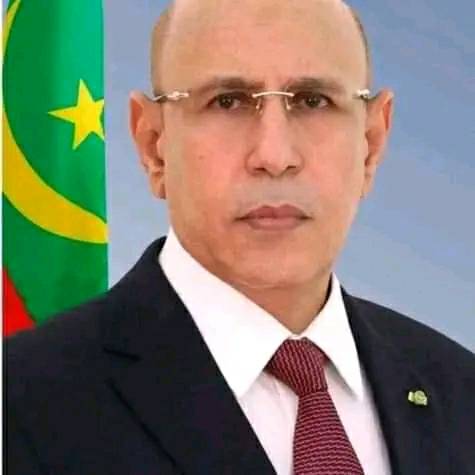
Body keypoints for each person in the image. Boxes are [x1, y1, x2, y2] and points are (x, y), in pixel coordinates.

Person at [5, 0, 475, 474]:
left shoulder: (461, 393)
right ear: (153, 146)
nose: (274, 156)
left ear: (371, 144)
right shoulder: (21, 405)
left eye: (313, 101)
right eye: (227, 101)